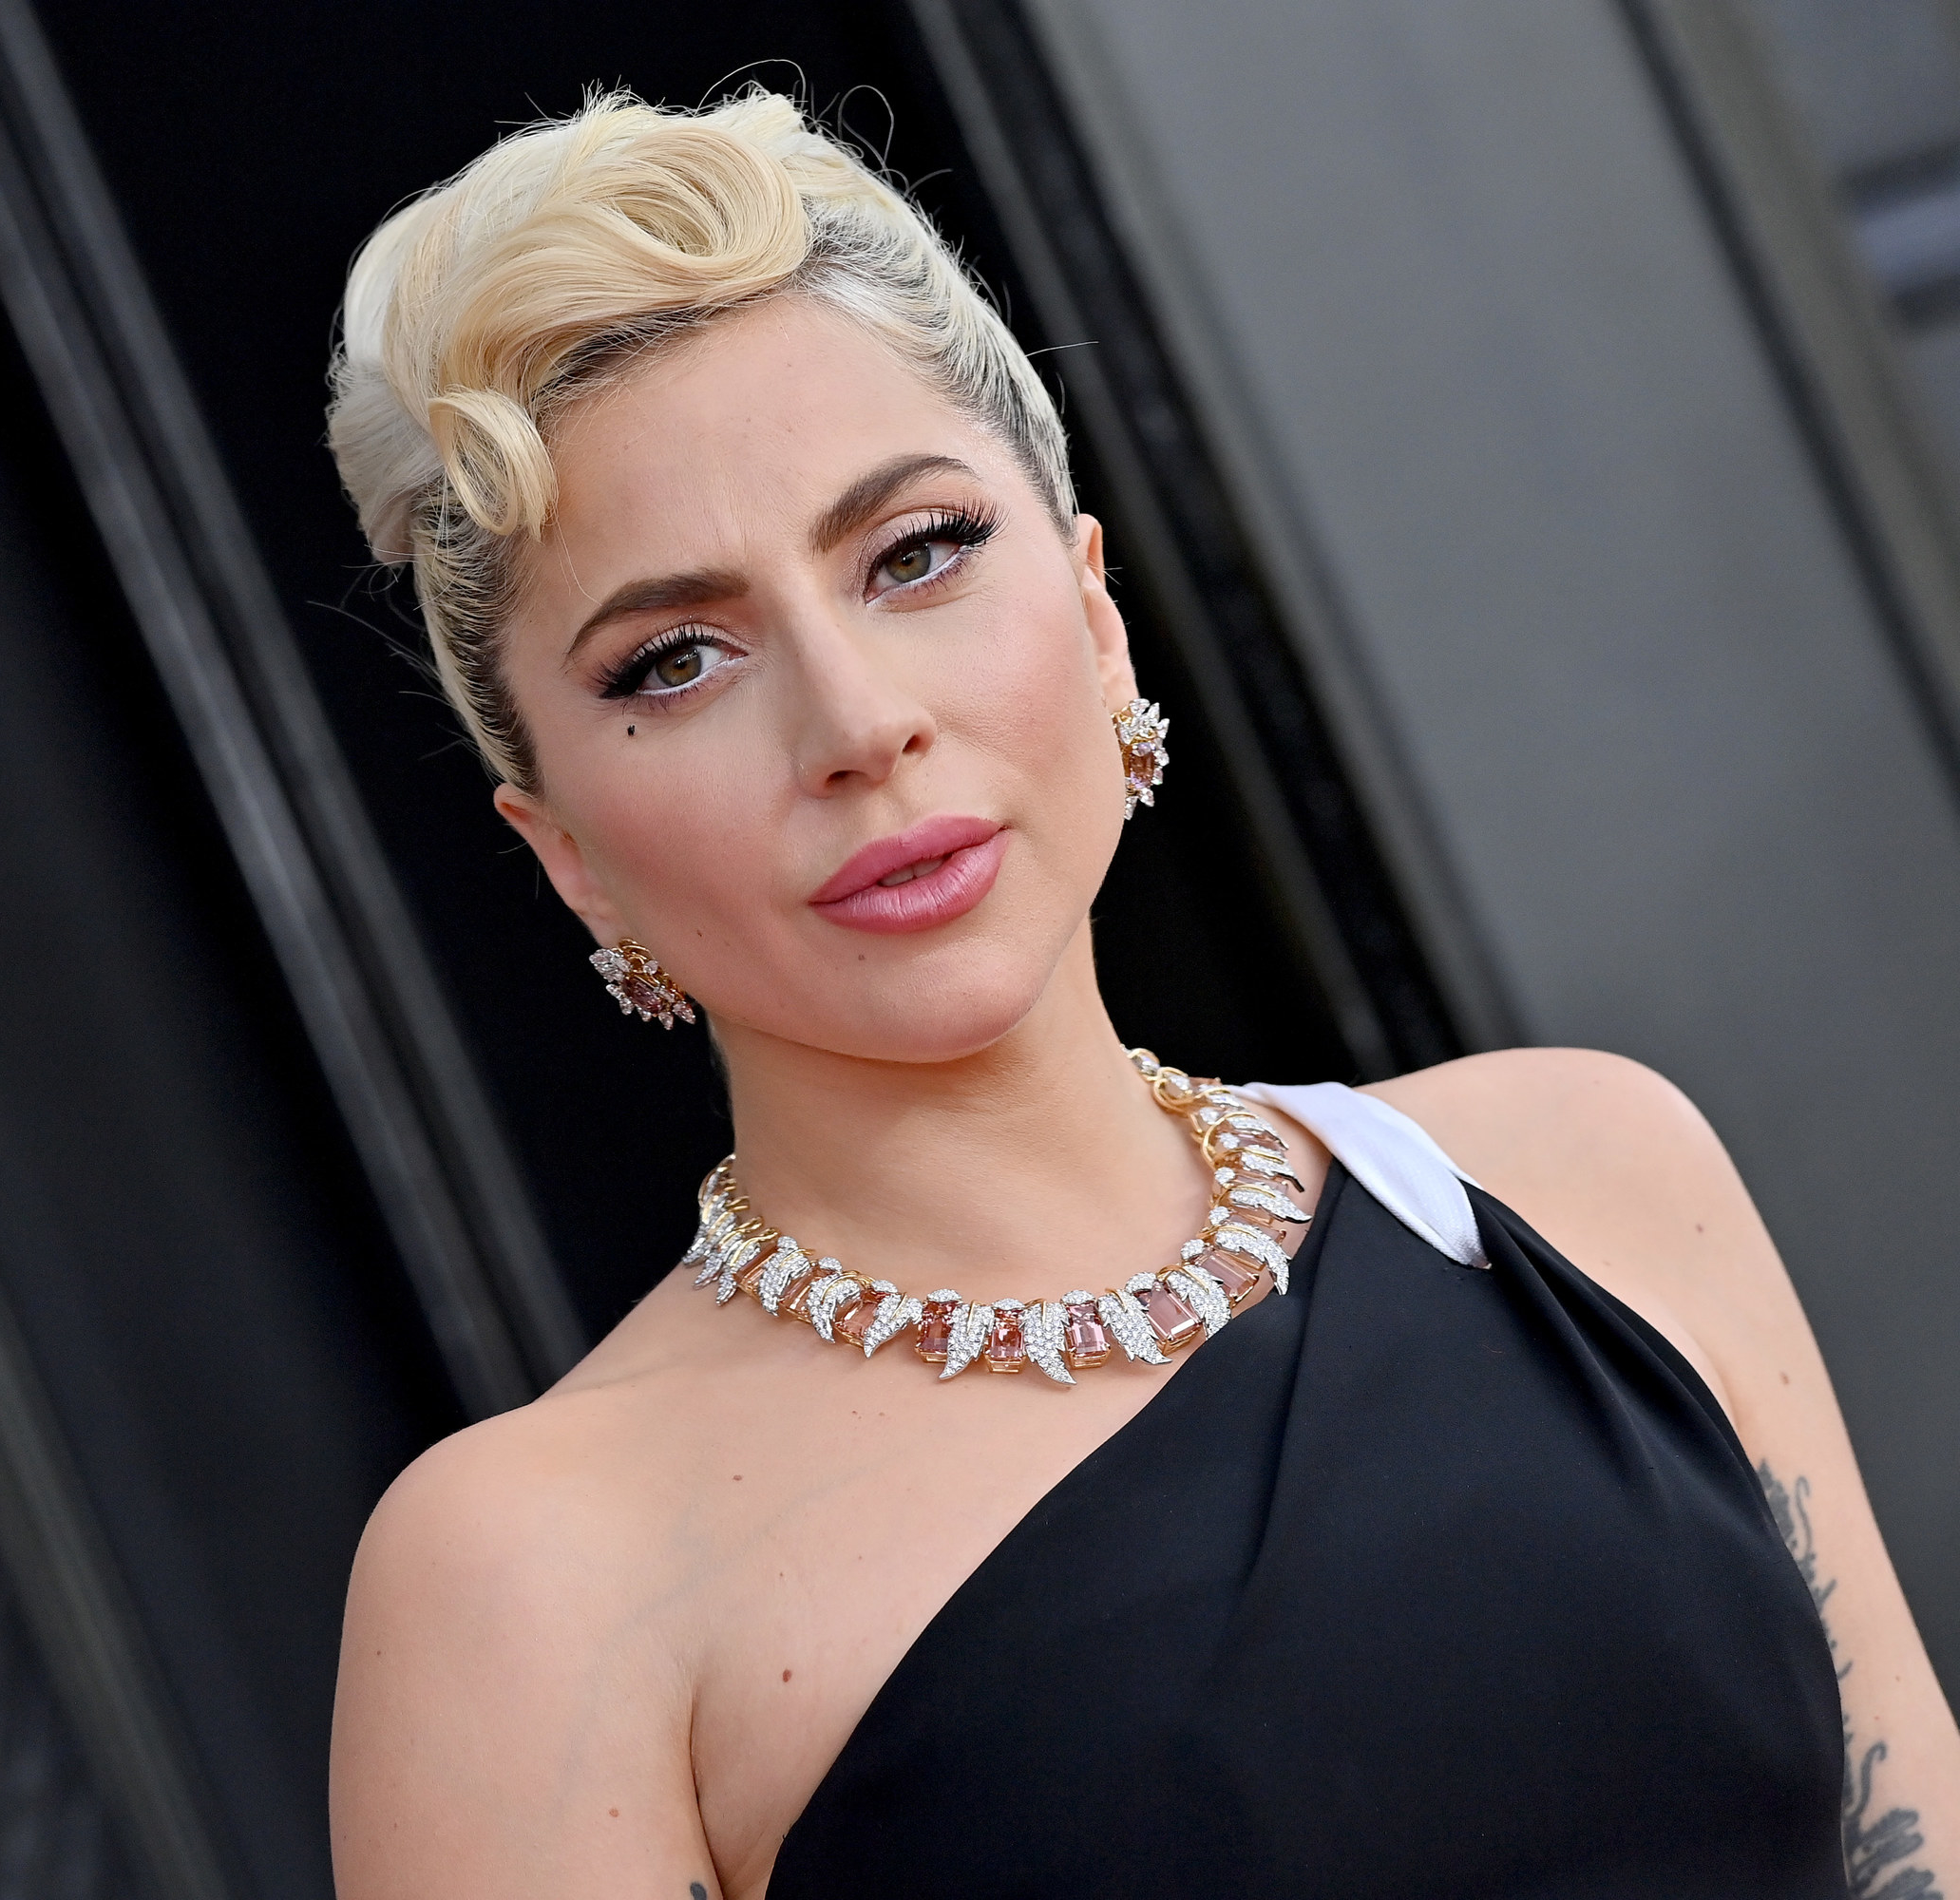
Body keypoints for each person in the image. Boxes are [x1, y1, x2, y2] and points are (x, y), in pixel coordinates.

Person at [320, 89, 1958, 1898]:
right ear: (565, 855)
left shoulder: (1590, 1176)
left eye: (917, 552)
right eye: (678, 659)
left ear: (1094, 616)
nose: (860, 725)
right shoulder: (535, 1576)